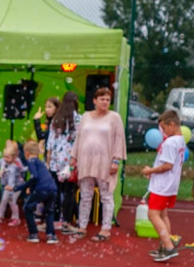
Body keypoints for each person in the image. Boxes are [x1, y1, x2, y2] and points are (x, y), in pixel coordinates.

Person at [66, 87, 125, 241]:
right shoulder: (85, 116)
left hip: (105, 162)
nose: (105, 102)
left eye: (107, 99)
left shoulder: (114, 117)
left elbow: (119, 139)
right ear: (94, 100)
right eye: (102, 99)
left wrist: (116, 160)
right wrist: (74, 156)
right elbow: (79, 137)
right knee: (85, 195)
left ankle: (105, 229)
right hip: (86, 161)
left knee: (106, 196)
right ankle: (82, 227)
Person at [141, 110, 186, 262]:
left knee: (152, 214)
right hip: (171, 184)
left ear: (172, 125)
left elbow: (167, 165)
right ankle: (166, 243)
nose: (163, 132)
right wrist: (153, 172)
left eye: (164, 128)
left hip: (162, 186)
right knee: (163, 214)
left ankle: (168, 246)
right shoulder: (180, 140)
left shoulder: (170, 142)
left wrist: (150, 170)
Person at [46, 92, 80, 229]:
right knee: (69, 192)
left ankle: (55, 219)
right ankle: (66, 221)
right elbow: (80, 141)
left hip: (55, 160)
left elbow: (50, 143)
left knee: (55, 191)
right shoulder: (79, 119)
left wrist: (48, 162)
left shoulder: (56, 119)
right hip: (70, 161)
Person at [18, 140, 59, 244]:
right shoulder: (41, 163)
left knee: (28, 207)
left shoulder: (31, 161)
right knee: (49, 211)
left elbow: (35, 177)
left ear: (26, 153)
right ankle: (51, 235)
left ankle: (33, 233)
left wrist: (24, 187)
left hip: (41, 189)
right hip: (52, 188)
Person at [0, 143, 24, 227]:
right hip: (7, 185)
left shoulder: (15, 165)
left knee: (12, 201)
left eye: (7, 157)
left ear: (14, 157)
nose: (5, 159)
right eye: (4, 156)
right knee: (4, 200)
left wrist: (12, 188)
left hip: (16, 186)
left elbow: (15, 175)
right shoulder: (3, 161)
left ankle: (16, 218)